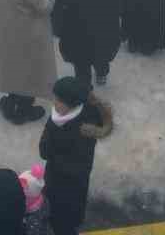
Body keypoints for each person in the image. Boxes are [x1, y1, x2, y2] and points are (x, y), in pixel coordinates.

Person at [37, 75, 114, 235]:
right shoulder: (75, 116)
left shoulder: (78, 131)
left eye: (58, 100)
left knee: (63, 224)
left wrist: (52, 136)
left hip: (66, 189)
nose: (54, 103)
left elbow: (45, 151)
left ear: (71, 104)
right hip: (66, 185)